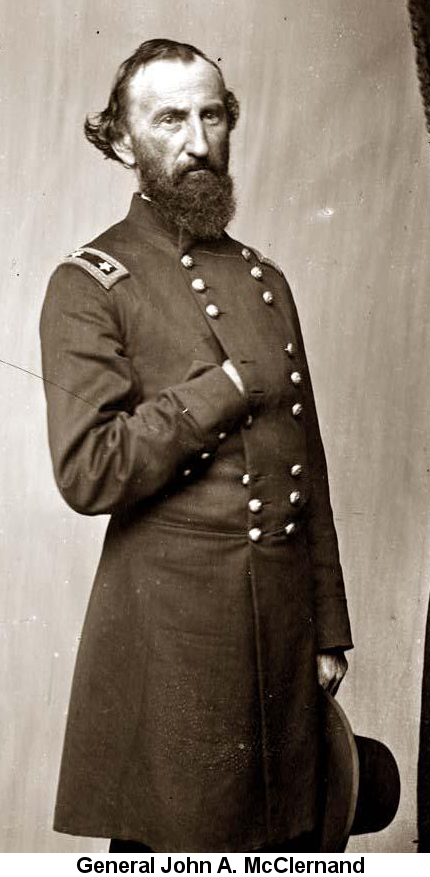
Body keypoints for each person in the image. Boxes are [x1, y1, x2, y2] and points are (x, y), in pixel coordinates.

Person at [40, 38, 353, 853]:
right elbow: (88, 469)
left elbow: (305, 462)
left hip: (284, 642)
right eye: (169, 117)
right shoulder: (88, 282)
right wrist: (213, 393)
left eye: (212, 114)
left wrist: (327, 629)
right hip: (173, 645)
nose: (196, 139)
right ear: (119, 141)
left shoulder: (266, 279)